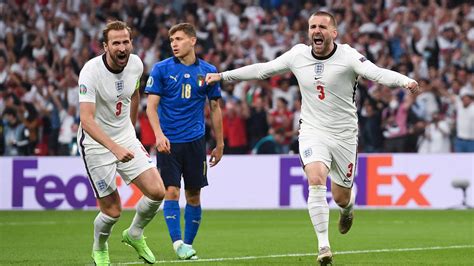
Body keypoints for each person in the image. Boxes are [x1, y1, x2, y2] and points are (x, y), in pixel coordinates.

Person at [206, 11, 419, 265]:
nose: (316, 31)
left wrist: (405, 80)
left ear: (333, 33)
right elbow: (263, 70)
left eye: (322, 27)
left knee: (341, 196)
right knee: (316, 179)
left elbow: (376, 73)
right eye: (312, 27)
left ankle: (347, 209)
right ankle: (323, 247)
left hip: (344, 135)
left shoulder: (348, 56)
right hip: (312, 130)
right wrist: (223, 76)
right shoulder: (298, 55)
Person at [77, 20, 165, 266]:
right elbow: (86, 120)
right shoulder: (90, 72)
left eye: (126, 41)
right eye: (116, 43)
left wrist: (130, 130)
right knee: (113, 211)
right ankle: (100, 247)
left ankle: (134, 233)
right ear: (106, 46)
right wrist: (113, 147)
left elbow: (134, 93)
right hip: (95, 143)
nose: (122, 47)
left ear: (131, 43)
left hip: (124, 137)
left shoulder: (136, 64)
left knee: (158, 192)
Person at [145, 23, 224, 260]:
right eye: (171, 41)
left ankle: (187, 245)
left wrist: (219, 144)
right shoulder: (161, 69)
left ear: (192, 41)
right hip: (169, 142)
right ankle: (177, 242)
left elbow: (215, 108)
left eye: (179, 39)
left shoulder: (208, 71)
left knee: (193, 196)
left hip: (196, 143)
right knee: (170, 192)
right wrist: (158, 135)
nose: (174, 44)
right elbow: (151, 107)